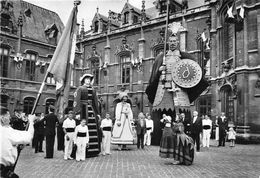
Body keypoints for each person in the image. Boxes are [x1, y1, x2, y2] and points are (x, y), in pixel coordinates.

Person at [0, 106, 36, 178]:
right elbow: (29, 136)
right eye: (8, 116)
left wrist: (16, 145)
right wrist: (31, 121)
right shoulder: (6, 131)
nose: (10, 119)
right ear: (2, 118)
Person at [73, 73, 101, 157]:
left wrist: (98, 113)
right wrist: (77, 112)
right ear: (83, 80)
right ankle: (82, 151)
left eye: (89, 79)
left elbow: (95, 102)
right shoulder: (80, 89)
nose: (88, 80)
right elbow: (76, 100)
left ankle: (93, 151)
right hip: (83, 110)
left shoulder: (93, 89)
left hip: (91, 110)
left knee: (93, 128)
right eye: (87, 79)